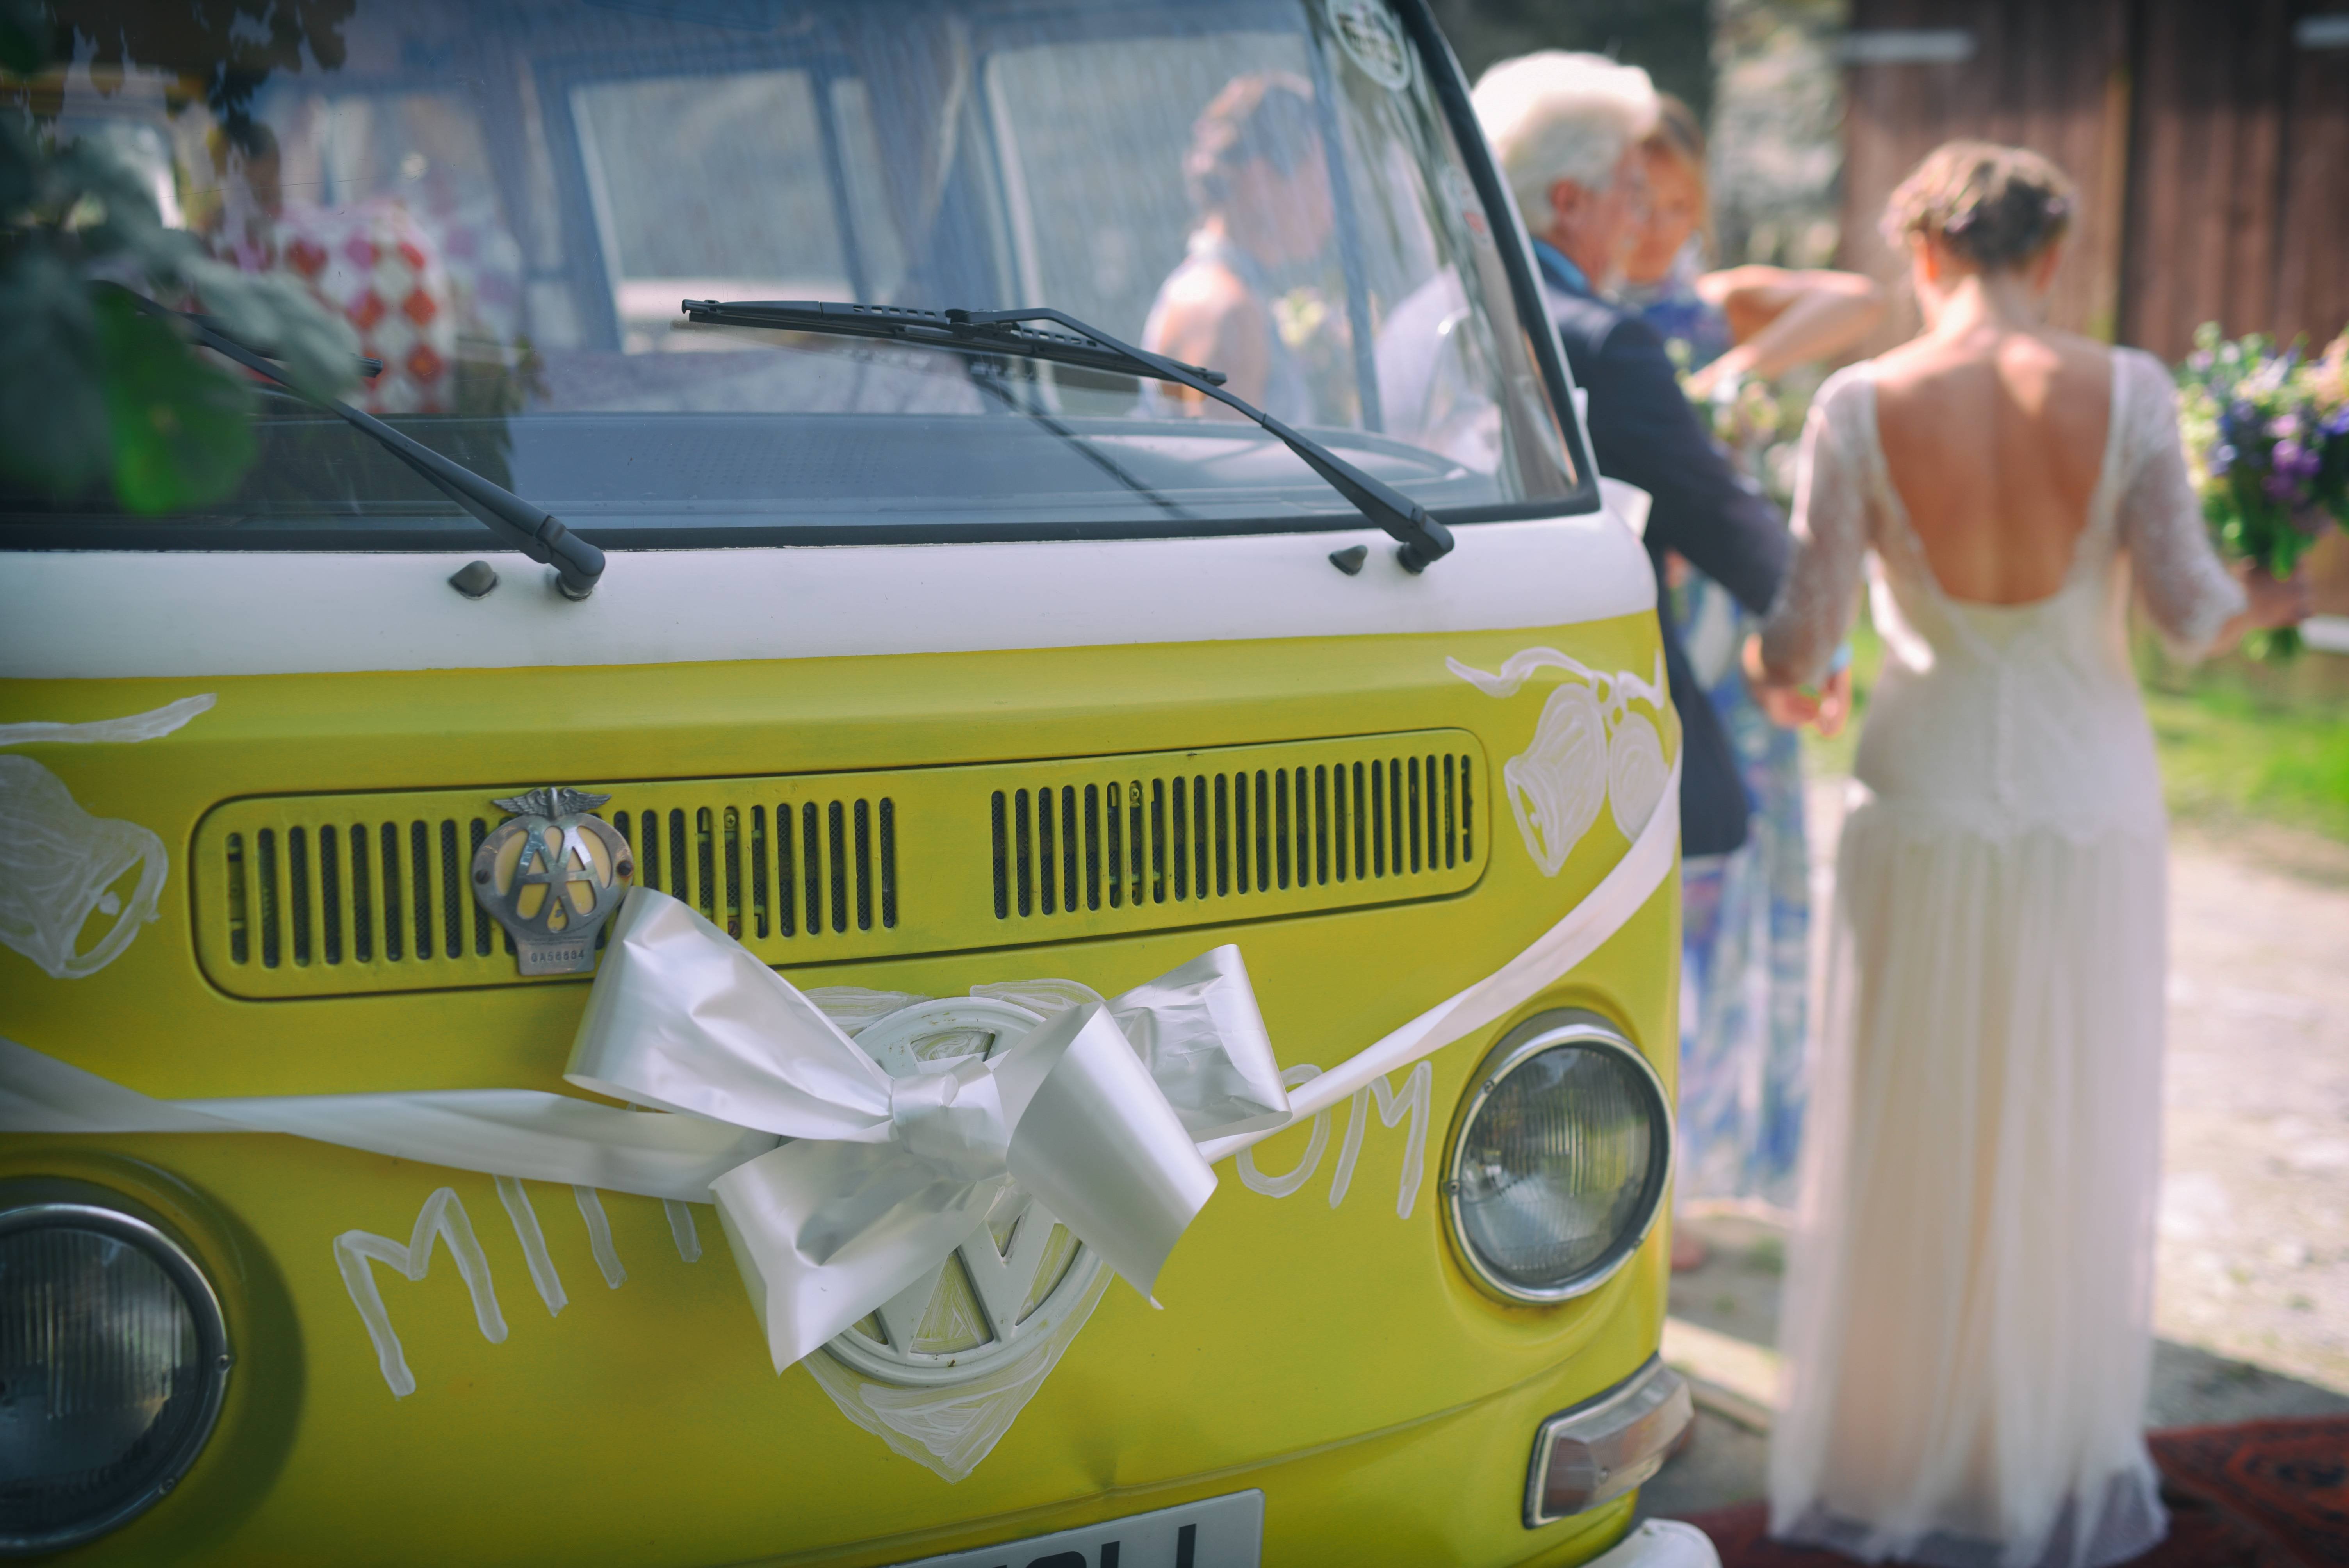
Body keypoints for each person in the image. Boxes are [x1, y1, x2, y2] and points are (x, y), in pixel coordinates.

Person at [1752, 141, 2308, 1567]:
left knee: (1914, 1126)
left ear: (1920, 255)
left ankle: (1899, 1451)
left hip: (1922, 803)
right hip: (2081, 814)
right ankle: (2034, 1447)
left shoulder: (1855, 403)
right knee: (2059, 1122)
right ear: (2046, 256)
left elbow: (1800, 641)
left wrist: (1778, 669)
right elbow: (2189, 615)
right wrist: (2303, 564)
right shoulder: (2126, 389)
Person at [1617, 95, 1882, 1248]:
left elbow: (1862, 297)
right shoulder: (1570, 320)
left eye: (1685, 204)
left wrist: (1740, 361)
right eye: (1649, 199)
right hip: (1650, 627)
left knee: (1735, 897)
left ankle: (1712, 1149)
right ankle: (1646, 1172)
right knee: (1657, 902)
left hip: (1729, 629)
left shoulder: (1705, 306)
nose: (1665, 223)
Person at [1470, 54, 1838, 864]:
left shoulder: (1425, 317)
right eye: (1629, 193)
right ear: (1568, 201)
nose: (1638, 224)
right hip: (1587, 756)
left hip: (1463, 725)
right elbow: (1716, 513)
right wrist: (1819, 637)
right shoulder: (1602, 341)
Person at [1142, 72, 1335, 423]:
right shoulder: (1227, 309)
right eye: (1320, 184)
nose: (1330, 208)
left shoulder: (1218, 289)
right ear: (1260, 179)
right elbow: (1236, 476)